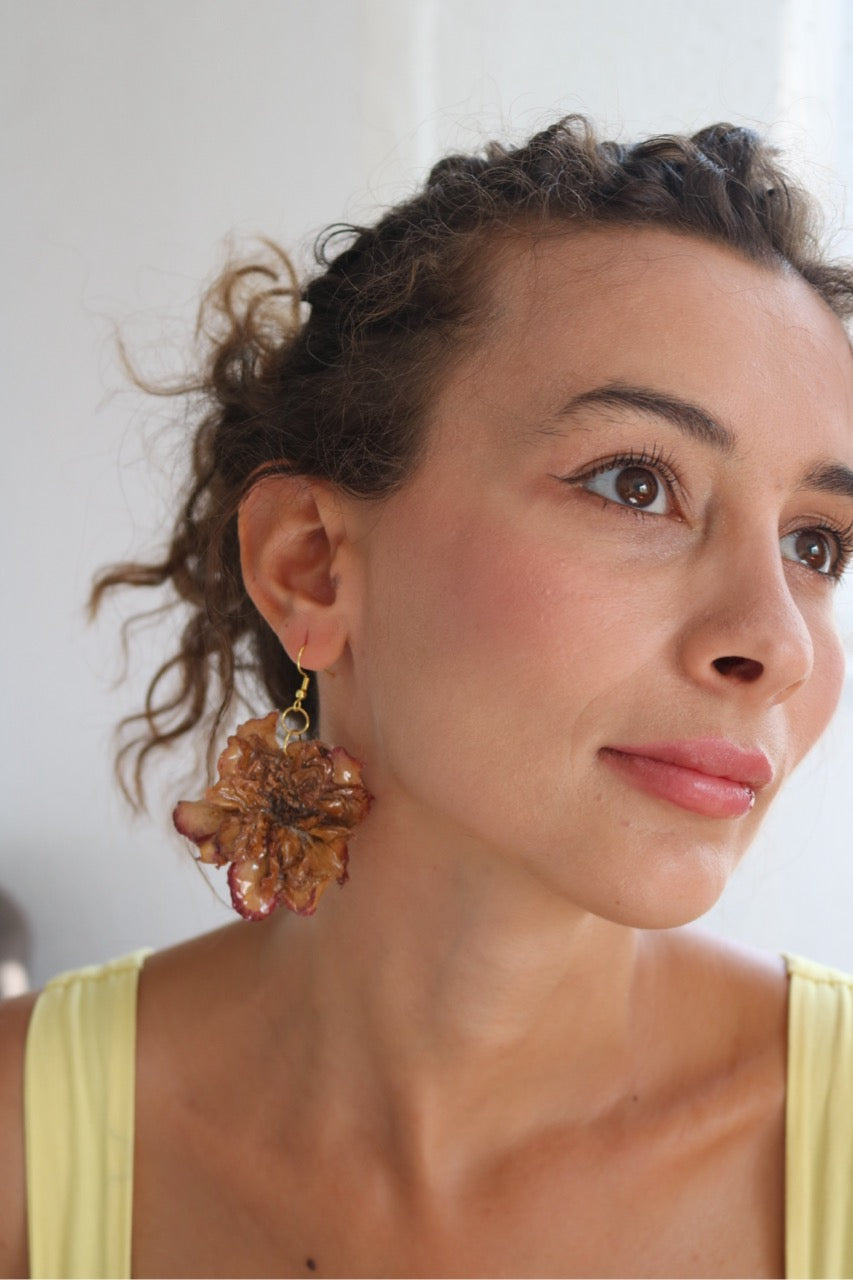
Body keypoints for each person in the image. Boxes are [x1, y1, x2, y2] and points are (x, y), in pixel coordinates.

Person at [2, 114, 853, 1279]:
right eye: (634, 481)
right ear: (311, 563)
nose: (775, 639)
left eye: (817, 543)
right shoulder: (18, 1144)